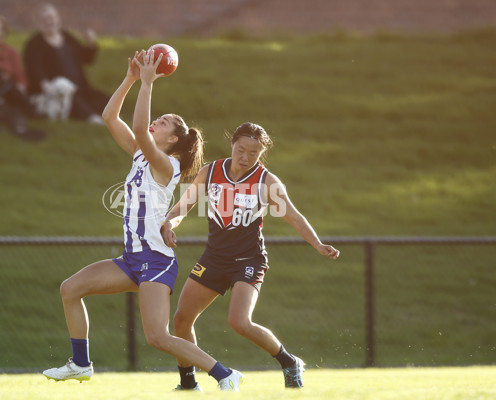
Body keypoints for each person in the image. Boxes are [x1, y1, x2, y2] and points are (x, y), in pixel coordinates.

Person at [41, 50, 244, 392]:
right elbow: (109, 116)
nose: (156, 122)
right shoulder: (140, 153)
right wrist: (131, 79)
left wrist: (148, 83)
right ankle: (80, 363)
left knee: (158, 337)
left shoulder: (167, 166)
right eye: (158, 118)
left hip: (155, 260)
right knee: (70, 289)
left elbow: (137, 126)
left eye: (163, 122)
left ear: (173, 140)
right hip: (131, 259)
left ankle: (225, 373)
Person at [160, 122, 341, 390]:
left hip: (249, 261)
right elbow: (182, 208)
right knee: (181, 319)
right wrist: (168, 225)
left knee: (240, 322)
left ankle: (289, 361)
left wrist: (317, 243)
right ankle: (188, 383)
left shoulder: (266, 181)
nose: (245, 158)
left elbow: (294, 216)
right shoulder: (211, 171)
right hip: (214, 258)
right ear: (232, 144)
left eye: (253, 153)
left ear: (261, 153)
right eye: (241, 150)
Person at [23, 3, 110, 124]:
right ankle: (92, 119)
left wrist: (91, 44)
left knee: (105, 99)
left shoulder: (67, 37)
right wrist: (42, 82)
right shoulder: (34, 44)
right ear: (38, 23)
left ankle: (119, 116)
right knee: (75, 101)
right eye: (44, 20)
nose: (49, 22)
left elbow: (86, 59)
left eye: (52, 18)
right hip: (60, 91)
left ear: (58, 19)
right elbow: (33, 67)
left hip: (81, 88)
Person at [0, 14, 45, 139]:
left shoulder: (12, 52)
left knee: (12, 94)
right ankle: (21, 114)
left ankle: (20, 125)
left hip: (8, 91)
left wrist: (21, 87)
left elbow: (19, 75)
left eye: (1, 30)